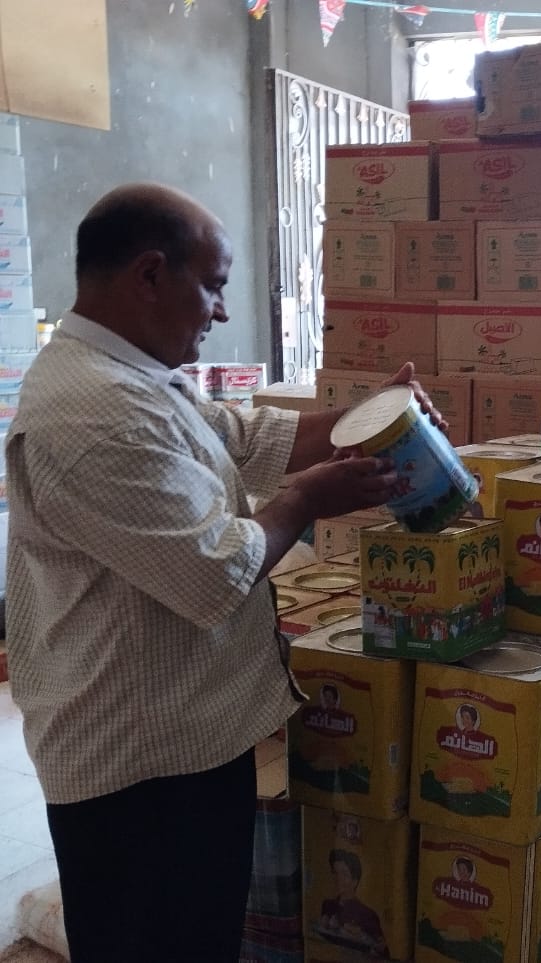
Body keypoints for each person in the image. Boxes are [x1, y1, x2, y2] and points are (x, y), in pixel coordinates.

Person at [5, 183, 445, 962]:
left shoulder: (131, 374)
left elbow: (243, 435)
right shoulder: (92, 410)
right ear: (149, 274)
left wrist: (374, 413)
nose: (220, 311)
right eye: (213, 286)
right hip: (138, 770)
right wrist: (307, 499)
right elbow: (216, 573)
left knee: (203, 935)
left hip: (184, 737)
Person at [318, 850, 388, 957]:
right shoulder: (328, 905)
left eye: (344, 874)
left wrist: (365, 939)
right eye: (335, 873)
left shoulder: (368, 915)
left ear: (355, 881)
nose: (338, 879)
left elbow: (382, 952)